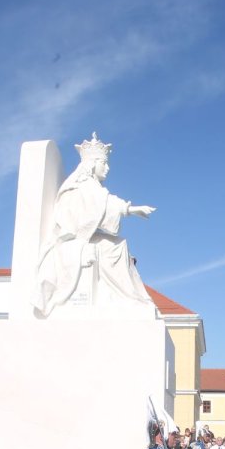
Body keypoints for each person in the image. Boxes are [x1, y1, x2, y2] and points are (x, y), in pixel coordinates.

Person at [34, 133, 157, 317]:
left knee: (118, 245)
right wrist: (131, 209)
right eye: (103, 163)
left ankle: (133, 298)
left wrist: (132, 209)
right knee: (116, 248)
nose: (107, 168)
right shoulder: (80, 185)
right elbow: (101, 206)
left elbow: (106, 203)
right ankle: (131, 299)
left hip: (83, 238)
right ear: (92, 164)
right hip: (70, 242)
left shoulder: (92, 186)